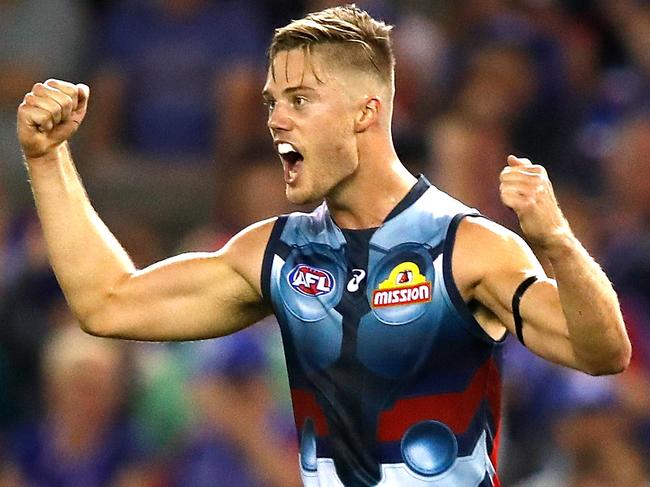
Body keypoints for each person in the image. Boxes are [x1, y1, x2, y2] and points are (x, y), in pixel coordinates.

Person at [16, 5, 631, 487]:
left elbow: (602, 352)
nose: (275, 120)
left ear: (367, 112)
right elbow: (108, 304)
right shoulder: (276, 253)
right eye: (271, 102)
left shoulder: (466, 248)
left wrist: (557, 244)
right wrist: (47, 160)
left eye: (299, 100)